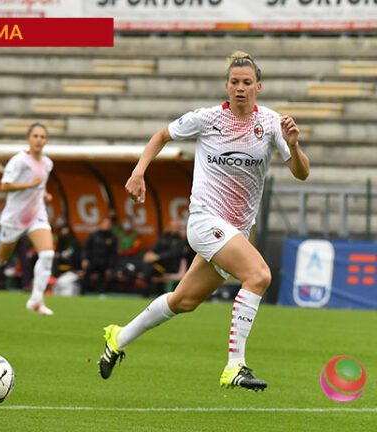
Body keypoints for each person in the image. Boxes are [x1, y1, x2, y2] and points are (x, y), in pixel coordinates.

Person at [98, 51, 310, 392]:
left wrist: (294, 146)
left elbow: (301, 173)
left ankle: (119, 337)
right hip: (204, 221)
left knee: (183, 301)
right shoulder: (207, 118)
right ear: (227, 86)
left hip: (236, 230)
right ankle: (234, 366)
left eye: (247, 83)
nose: (240, 88)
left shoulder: (272, 123)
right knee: (259, 275)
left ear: (259, 87)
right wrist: (139, 172)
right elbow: (161, 136)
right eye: (235, 83)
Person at [0, 123, 56, 316]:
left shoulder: (47, 163)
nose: (39, 140)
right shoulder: (19, 161)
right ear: (28, 139)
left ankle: (36, 300)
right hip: (15, 217)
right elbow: (4, 186)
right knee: (1, 258)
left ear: (46, 141)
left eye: (42, 137)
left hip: (36, 215)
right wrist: (28, 185)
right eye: (35, 136)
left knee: (48, 254)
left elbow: (40, 185)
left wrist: (45, 194)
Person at [136, 218, 188, 297]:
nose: (174, 228)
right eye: (173, 226)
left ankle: (144, 286)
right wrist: (149, 254)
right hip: (158, 265)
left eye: (176, 226)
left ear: (179, 228)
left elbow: (172, 254)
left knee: (149, 267)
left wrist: (157, 257)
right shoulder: (163, 237)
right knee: (145, 262)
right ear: (169, 227)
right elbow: (155, 248)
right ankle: (144, 285)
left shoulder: (180, 241)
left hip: (170, 267)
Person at [81, 216, 118, 293]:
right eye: (105, 223)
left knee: (104, 275)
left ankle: (101, 293)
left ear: (111, 226)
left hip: (104, 262)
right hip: (92, 260)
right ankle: (83, 291)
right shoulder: (94, 235)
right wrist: (85, 259)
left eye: (108, 224)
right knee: (86, 272)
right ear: (101, 224)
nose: (106, 225)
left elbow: (113, 254)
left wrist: (110, 267)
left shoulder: (112, 238)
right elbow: (86, 248)